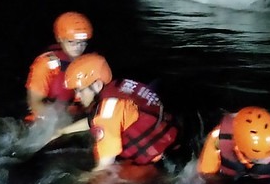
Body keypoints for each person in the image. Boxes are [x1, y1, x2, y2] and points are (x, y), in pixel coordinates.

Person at [51, 53, 179, 173]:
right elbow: (94, 120)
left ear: (97, 85)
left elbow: (104, 167)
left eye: (80, 90)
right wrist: (63, 131)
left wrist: (79, 183)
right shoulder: (119, 86)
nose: (77, 97)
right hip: (173, 140)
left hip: (159, 164)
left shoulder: (107, 113)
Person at [25, 11, 93, 122]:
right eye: (72, 42)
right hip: (44, 121)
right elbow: (35, 103)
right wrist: (57, 122)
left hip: (73, 117)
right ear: (60, 39)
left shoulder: (87, 64)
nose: (78, 47)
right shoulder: (46, 64)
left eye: (82, 42)